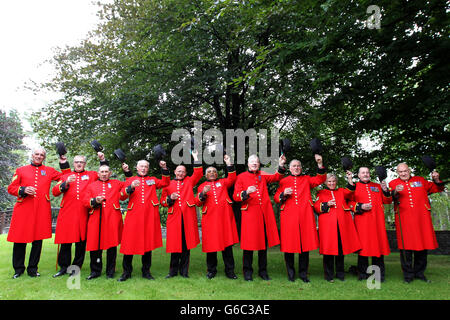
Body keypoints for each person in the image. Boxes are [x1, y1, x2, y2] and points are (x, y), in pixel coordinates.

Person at [7, 147, 70, 278]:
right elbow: (11, 188)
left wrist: (63, 163)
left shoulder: (49, 171)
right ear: (32, 155)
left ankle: (32, 269)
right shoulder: (21, 170)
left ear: (44, 157)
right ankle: (18, 270)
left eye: (42, 155)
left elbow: (65, 177)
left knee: (37, 241)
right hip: (24, 209)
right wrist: (23, 189)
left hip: (41, 210)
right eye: (37, 154)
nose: (39, 156)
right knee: (20, 240)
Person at [51, 152, 108, 277]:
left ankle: (75, 268)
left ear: (85, 164)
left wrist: (102, 159)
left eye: (81, 162)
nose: (79, 164)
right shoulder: (66, 175)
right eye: (77, 162)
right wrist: (65, 183)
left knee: (81, 243)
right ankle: (63, 267)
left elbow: (104, 172)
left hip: (84, 213)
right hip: (67, 213)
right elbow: (54, 192)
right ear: (73, 163)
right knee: (65, 242)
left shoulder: (91, 175)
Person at [233, 154, 286, 281]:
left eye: (256, 162)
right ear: (248, 164)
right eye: (252, 162)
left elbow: (276, 176)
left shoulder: (262, 174)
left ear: (259, 164)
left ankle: (263, 272)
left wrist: (281, 164)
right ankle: (247, 272)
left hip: (263, 214)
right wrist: (246, 193)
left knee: (263, 245)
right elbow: (235, 196)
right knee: (248, 245)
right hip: (249, 214)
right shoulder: (241, 177)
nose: (254, 164)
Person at [389, 163, 445, 283]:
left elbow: (438, 188)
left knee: (422, 247)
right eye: (400, 172)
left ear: (409, 170)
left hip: (422, 219)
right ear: (397, 173)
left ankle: (419, 273)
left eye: (405, 171)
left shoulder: (420, 180)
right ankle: (408, 276)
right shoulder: (393, 183)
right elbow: (388, 198)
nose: (403, 173)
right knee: (406, 248)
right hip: (404, 220)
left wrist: (436, 179)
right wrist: (395, 192)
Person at [274, 155, 326, 283]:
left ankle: (303, 275)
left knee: (305, 247)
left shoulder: (307, 179)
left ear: (301, 168)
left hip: (305, 216)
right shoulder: (283, 181)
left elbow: (320, 179)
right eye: (294, 166)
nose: (296, 168)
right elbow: (276, 198)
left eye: (298, 166)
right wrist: (283, 193)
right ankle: (291, 274)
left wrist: (319, 164)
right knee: (289, 246)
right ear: (289, 169)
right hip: (289, 217)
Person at [117, 159, 170, 282]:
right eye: (141, 166)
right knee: (129, 244)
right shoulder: (130, 180)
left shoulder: (152, 180)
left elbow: (165, 183)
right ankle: (126, 272)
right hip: (133, 216)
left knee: (147, 244)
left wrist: (164, 168)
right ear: (136, 167)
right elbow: (121, 196)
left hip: (148, 216)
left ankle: (146, 272)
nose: (144, 168)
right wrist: (130, 187)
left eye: (146, 166)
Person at [194, 154, 238, 279]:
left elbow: (232, 178)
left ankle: (230, 271)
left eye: (214, 171)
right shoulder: (202, 186)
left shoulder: (223, 182)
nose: (212, 173)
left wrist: (229, 163)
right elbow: (197, 202)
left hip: (224, 219)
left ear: (217, 174)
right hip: (210, 220)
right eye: (209, 172)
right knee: (211, 247)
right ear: (205, 175)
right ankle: (211, 270)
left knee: (227, 246)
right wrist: (203, 193)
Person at [160, 151, 202, 278]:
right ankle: (172, 272)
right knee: (174, 245)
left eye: (183, 171)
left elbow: (199, 173)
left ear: (185, 173)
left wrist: (195, 157)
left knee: (186, 246)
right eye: (178, 171)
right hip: (174, 218)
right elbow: (162, 202)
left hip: (188, 217)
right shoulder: (168, 184)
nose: (180, 173)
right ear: (174, 172)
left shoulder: (189, 181)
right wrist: (170, 198)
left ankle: (184, 272)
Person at [83, 164, 129, 279]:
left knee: (111, 247)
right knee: (95, 247)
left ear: (110, 173)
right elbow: (85, 201)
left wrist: (127, 171)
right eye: (102, 172)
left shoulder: (117, 183)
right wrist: (94, 200)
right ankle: (95, 271)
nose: (104, 174)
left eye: (106, 172)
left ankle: (110, 271)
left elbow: (128, 185)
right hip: (96, 218)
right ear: (98, 174)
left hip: (112, 219)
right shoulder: (91, 185)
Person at [313, 172, 361, 282]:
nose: (331, 183)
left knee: (340, 252)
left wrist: (349, 179)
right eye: (329, 181)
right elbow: (316, 206)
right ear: (325, 182)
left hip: (341, 225)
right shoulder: (320, 193)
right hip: (328, 227)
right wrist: (326, 204)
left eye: (333, 181)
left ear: (336, 182)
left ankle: (340, 274)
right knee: (328, 252)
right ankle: (329, 276)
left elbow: (350, 192)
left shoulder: (341, 191)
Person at [349, 167, 392, 281]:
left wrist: (385, 190)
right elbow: (349, 203)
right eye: (363, 173)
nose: (366, 174)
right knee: (363, 249)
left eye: (367, 172)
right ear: (358, 175)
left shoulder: (377, 186)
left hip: (377, 222)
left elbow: (387, 200)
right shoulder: (354, 187)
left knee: (378, 249)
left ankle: (378, 275)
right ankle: (362, 274)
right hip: (362, 222)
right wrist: (360, 206)